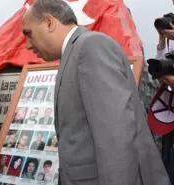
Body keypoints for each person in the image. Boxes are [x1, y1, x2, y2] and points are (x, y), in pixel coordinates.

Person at [22, 0, 170, 184]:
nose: (27, 44)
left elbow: (116, 138)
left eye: (28, 33)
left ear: (50, 22)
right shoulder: (73, 53)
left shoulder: (91, 46)